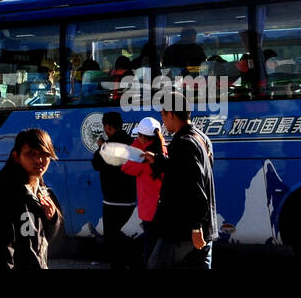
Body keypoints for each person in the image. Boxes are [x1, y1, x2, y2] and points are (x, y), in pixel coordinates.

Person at [144, 99, 217, 269]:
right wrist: (158, 160)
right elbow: (185, 170)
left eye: (163, 115)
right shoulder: (201, 137)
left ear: (171, 114)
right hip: (202, 227)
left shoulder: (183, 142)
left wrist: (195, 227)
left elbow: (195, 185)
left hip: (182, 230)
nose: (163, 120)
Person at [0, 128, 62, 269]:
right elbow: (0, 248)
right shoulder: (4, 191)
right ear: (16, 156)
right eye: (31, 154)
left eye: (44, 154)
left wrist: (53, 218)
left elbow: (43, 240)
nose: (39, 160)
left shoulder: (42, 190)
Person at [90, 111, 136, 269]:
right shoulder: (132, 142)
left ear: (108, 127)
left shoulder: (107, 146)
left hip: (112, 203)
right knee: (129, 238)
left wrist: (102, 146)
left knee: (114, 241)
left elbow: (96, 164)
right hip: (131, 201)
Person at [120, 117, 167, 269]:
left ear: (141, 137)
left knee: (151, 252)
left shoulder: (143, 156)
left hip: (150, 211)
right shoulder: (163, 149)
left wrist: (136, 146)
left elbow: (126, 167)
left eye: (138, 136)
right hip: (164, 209)